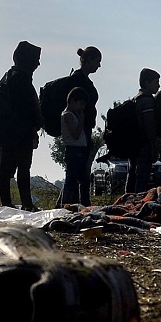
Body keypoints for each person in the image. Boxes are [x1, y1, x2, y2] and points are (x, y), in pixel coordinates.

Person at [0, 41, 42, 209]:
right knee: (21, 168)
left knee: (5, 168)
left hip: (8, 131)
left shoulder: (10, 76)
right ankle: (26, 204)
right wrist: (33, 128)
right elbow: (26, 109)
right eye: (36, 59)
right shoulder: (21, 79)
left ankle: (7, 204)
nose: (38, 63)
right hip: (19, 132)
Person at [59, 46, 101, 205]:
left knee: (77, 176)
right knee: (75, 176)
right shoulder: (78, 80)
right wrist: (81, 118)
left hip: (83, 133)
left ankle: (71, 203)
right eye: (97, 61)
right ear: (89, 60)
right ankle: (72, 203)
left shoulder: (82, 79)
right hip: (78, 132)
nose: (99, 66)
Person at [127, 68, 161, 193]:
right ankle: (138, 202)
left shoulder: (135, 99)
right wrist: (153, 145)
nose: (158, 85)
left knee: (132, 174)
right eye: (156, 82)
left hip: (134, 143)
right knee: (142, 177)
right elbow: (149, 124)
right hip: (144, 143)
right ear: (147, 83)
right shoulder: (147, 101)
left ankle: (128, 200)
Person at [61, 86, 91, 205]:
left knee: (83, 180)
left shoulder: (72, 115)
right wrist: (81, 120)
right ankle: (66, 203)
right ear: (72, 101)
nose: (82, 108)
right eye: (81, 104)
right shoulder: (68, 115)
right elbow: (75, 134)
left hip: (79, 151)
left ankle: (83, 204)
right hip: (73, 151)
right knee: (72, 180)